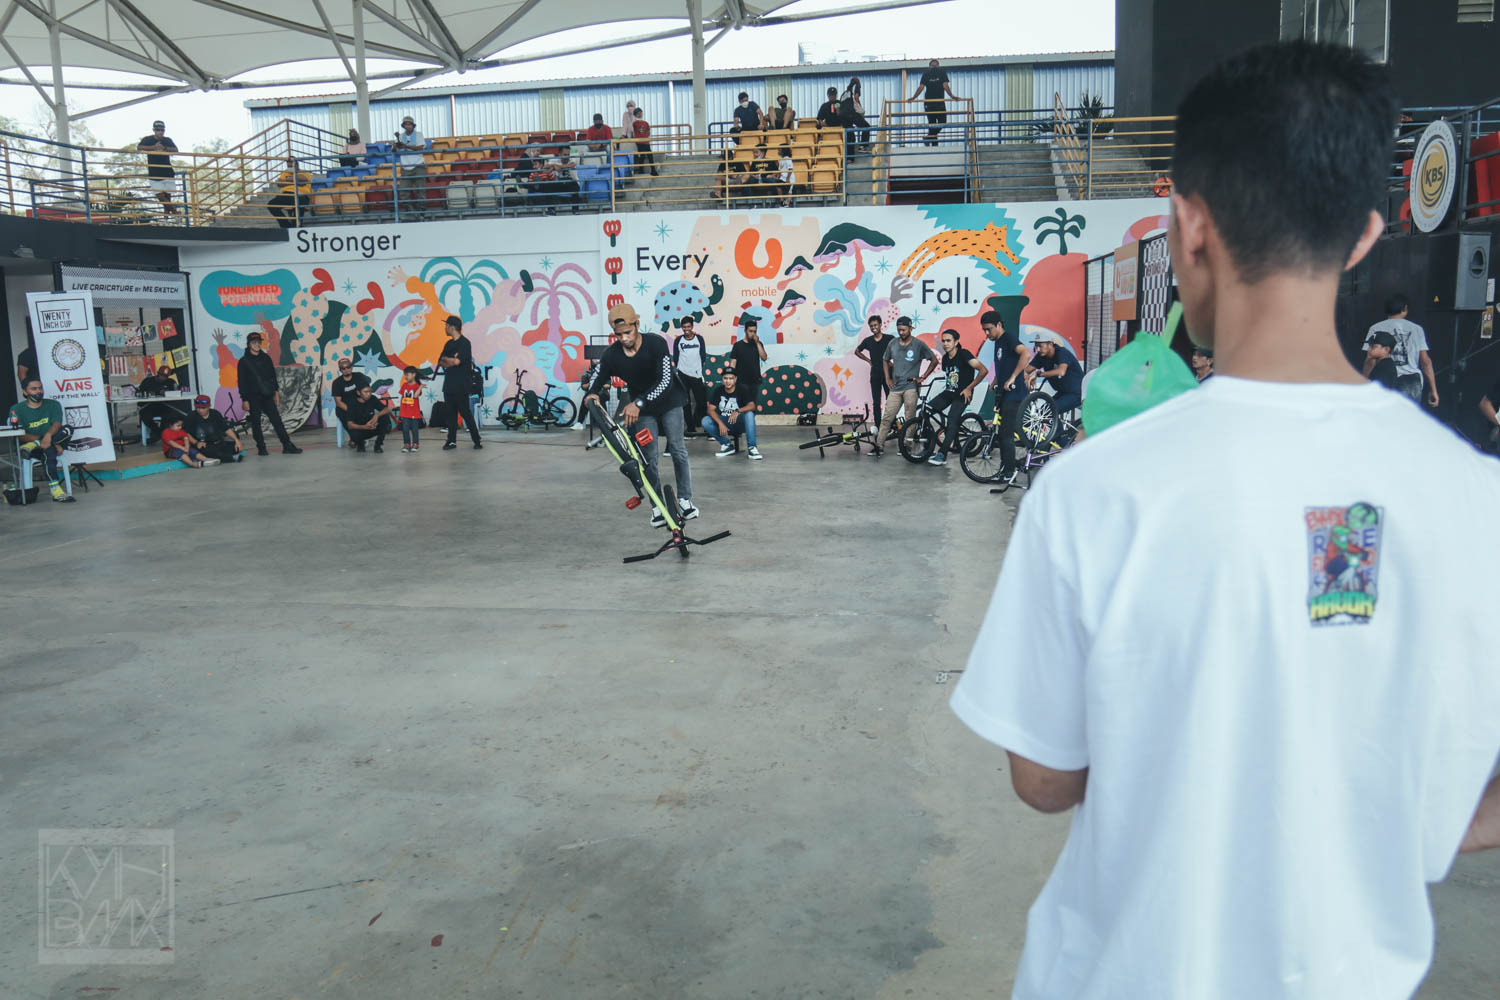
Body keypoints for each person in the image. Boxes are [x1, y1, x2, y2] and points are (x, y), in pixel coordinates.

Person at [950, 41, 1500, 1000]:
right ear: (1367, 235)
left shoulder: (1092, 489)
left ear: (1190, 224)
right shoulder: (1473, 497)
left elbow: (1043, 779)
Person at [584, 303, 697, 526]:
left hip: (670, 402)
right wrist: (592, 394)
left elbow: (665, 381)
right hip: (643, 411)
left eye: (628, 332)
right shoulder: (612, 355)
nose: (624, 338)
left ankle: (685, 500)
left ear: (636, 324)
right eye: (618, 335)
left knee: (677, 449)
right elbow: (598, 377)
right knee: (648, 457)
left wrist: (637, 403)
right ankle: (657, 506)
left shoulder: (656, 343)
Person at [872, 317, 938, 456]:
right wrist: (888, 378)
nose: (901, 332)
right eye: (899, 330)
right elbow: (885, 360)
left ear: (910, 328)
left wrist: (923, 377)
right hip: (896, 388)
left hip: (911, 387)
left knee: (910, 418)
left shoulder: (918, 344)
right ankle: (879, 446)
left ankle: (905, 446)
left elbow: (934, 360)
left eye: (904, 330)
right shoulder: (893, 343)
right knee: (887, 417)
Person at [982, 309, 1031, 484]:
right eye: (984, 330)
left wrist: (1013, 377)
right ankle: (1007, 468)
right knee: (1005, 433)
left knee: (1006, 434)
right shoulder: (998, 341)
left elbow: (1026, 353)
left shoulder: (1008, 338)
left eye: (989, 329)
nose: (987, 334)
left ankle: (1008, 472)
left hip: (1015, 393)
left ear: (999, 325)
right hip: (1005, 393)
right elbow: (1003, 364)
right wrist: (996, 380)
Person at [1363, 293, 1438, 406]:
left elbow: (1370, 359)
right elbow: (1425, 361)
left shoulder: (1375, 328)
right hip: (1411, 381)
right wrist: (1433, 390)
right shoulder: (1417, 329)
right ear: (1405, 308)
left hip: (1385, 379)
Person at [926, 328, 987, 466]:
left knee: (952, 419)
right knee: (926, 411)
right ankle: (927, 448)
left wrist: (969, 388)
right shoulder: (945, 358)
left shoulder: (964, 354)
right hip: (949, 392)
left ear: (956, 342)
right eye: (943, 341)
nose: (945, 344)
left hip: (962, 394)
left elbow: (983, 370)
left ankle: (942, 454)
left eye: (948, 341)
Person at [8, 376, 74, 502]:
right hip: (27, 448)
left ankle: (37, 444)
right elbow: (20, 435)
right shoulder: (16, 409)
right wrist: (48, 441)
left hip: (37, 445)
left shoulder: (53, 405)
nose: (38, 391)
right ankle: (56, 490)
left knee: (68, 429)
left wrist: (48, 437)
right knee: (50, 450)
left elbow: (57, 424)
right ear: (25, 392)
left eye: (40, 388)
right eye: (34, 389)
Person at [236, 331, 301, 455]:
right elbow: (242, 382)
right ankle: (261, 448)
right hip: (252, 397)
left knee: (277, 421)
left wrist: (276, 393)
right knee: (256, 424)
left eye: (258, 342)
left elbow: (273, 377)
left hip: (267, 396)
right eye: (254, 342)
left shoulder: (266, 358)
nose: (257, 344)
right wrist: (244, 399)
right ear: (249, 344)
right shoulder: (243, 362)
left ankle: (287, 445)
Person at [437, 316, 482, 450]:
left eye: (446, 326)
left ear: (452, 327)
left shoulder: (465, 343)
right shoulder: (448, 344)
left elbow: (457, 362)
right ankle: (451, 441)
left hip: (461, 386)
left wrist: (449, 360)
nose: (445, 328)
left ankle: (476, 440)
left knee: (465, 413)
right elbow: (440, 362)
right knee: (450, 415)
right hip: (449, 385)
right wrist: (451, 360)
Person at [702, 367, 762, 460]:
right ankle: (727, 445)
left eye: (731, 378)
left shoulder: (742, 389)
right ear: (722, 379)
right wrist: (720, 423)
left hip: (739, 423)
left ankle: (752, 448)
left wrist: (737, 411)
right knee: (705, 421)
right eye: (725, 378)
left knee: (749, 414)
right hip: (725, 423)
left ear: (735, 379)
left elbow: (752, 406)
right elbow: (710, 410)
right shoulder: (718, 390)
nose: (728, 381)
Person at [1025, 338, 1084, 416]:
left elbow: (1061, 371)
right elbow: (1026, 371)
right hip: (1062, 392)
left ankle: (1058, 425)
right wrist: (1028, 379)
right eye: (1036, 346)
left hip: (1076, 393)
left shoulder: (1061, 353)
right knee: (1043, 412)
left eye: (1040, 346)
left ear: (1050, 344)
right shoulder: (1041, 356)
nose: (1038, 349)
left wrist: (1038, 374)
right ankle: (1056, 424)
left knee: (1050, 412)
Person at [672, 317, 709, 436]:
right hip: (683, 375)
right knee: (685, 403)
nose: (686, 329)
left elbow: (703, 356)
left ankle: (706, 428)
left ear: (692, 326)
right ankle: (691, 429)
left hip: (696, 374)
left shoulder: (699, 339)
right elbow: (676, 357)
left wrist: (697, 369)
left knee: (702, 402)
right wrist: (681, 370)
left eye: (688, 326)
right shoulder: (678, 340)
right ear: (681, 327)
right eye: (684, 327)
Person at [912, 59, 959, 146]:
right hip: (930, 102)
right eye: (933, 65)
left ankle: (929, 138)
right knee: (933, 124)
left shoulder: (941, 73)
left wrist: (952, 96)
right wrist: (913, 97)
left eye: (935, 65)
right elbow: (921, 87)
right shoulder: (926, 74)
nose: (934, 67)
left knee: (941, 123)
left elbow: (945, 86)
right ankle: (934, 143)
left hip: (938, 102)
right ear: (930, 66)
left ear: (938, 66)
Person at [137, 362, 187, 443]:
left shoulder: (170, 382)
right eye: (161, 375)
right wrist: (152, 392)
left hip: (164, 406)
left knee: (170, 416)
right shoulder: (148, 381)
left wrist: (167, 393)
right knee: (145, 415)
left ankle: (160, 434)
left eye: (165, 376)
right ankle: (158, 432)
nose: (163, 378)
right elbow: (140, 392)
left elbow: (176, 393)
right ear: (157, 373)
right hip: (149, 406)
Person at [186, 394, 244, 463]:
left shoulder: (215, 414)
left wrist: (237, 440)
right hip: (204, 446)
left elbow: (226, 429)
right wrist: (196, 443)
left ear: (209, 406)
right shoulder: (191, 416)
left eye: (203, 408)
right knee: (207, 452)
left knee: (236, 446)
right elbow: (187, 433)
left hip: (218, 443)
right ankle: (231, 458)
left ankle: (224, 457)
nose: (200, 410)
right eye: (198, 408)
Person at [136, 119, 178, 215]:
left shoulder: (167, 140)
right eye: (158, 130)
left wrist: (164, 148)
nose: (160, 132)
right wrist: (153, 147)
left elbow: (175, 149)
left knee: (167, 198)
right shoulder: (148, 139)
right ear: (154, 130)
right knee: (160, 196)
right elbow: (139, 147)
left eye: (162, 130)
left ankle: (167, 218)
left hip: (167, 172)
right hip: (154, 173)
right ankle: (175, 213)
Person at [855, 316, 892, 416]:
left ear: (880, 325)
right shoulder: (868, 341)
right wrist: (868, 360)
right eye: (871, 326)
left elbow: (899, 351)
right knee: (876, 402)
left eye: (875, 325)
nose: (873, 327)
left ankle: (891, 422)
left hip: (888, 374)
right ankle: (878, 423)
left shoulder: (889, 338)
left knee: (891, 401)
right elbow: (857, 351)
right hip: (875, 374)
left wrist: (893, 362)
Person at [329, 358, 371, 443]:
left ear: (351, 367)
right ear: (340, 370)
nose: (346, 370)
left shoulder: (359, 376)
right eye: (343, 368)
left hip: (360, 405)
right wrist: (352, 411)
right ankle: (356, 438)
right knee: (348, 419)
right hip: (345, 409)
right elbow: (338, 402)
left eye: (348, 367)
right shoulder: (337, 383)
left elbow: (366, 392)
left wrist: (360, 408)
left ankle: (357, 438)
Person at [344, 384, 394, 453]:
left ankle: (378, 445)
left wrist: (377, 415)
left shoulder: (372, 398)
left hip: (371, 427)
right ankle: (360, 445)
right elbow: (350, 425)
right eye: (366, 392)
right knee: (353, 431)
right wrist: (364, 427)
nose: (368, 394)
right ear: (358, 393)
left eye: (370, 391)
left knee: (385, 416)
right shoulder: (352, 403)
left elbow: (387, 410)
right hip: (360, 431)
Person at [728, 318, 768, 402]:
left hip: (755, 381)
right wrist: (731, 379)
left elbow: (764, 357)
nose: (753, 334)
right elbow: (733, 363)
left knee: (752, 404)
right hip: (741, 381)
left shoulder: (758, 344)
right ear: (745, 331)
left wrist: (757, 343)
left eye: (755, 331)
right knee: (742, 404)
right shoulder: (738, 345)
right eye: (750, 331)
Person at [394, 115, 427, 215]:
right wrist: (395, 147)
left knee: (420, 188)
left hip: (418, 164)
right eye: (406, 124)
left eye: (409, 124)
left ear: (413, 125)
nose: (408, 126)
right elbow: (394, 149)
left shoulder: (419, 134)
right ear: (403, 126)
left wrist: (406, 146)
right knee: (403, 189)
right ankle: (409, 208)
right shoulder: (400, 137)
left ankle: (421, 208)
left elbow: (421, 147)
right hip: (405, 166)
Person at [398, 366, 424, 453]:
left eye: (407, 375)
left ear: (413, 375)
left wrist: (420, 387)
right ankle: (407, 444)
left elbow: (415, 396)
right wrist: (401, 411)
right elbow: (402, 398)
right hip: (405, 412)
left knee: (414, 429)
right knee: (405, 429)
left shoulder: (417, 386)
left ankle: (415, 444)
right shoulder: (404, 385)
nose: (405, 377)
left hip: (414, 413)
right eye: (405, 375)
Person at [840, 76, 871, 149]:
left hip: (842, 116)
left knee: (850, 133)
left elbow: (840, 105)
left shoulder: (844, 93)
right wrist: (860, 108)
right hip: (851, 113)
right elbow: (856, 98)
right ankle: (863, 146)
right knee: (866, 127)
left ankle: (849, 154)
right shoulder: (856, 86)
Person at [631, 107, 658, 176]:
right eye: (638, 113)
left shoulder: (646, 123)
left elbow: (648, 132)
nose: (640, 114)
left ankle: (653, 170)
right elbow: (632, 131)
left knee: (650, 156)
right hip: (639, 142)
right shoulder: (634, 123)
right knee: (642, 156)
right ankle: (641, 170)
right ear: (635, 115)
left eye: (641, 113)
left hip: (646, 142)